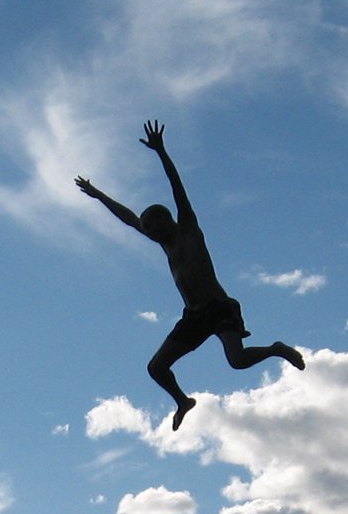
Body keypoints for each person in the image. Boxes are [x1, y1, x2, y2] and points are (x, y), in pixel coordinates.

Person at [77, 120, 305, 430]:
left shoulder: (187, 229)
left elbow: (177, 188)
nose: (150, 234)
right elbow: (128, 219)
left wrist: (161, 152)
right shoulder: (166, 245)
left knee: (237, 362)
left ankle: (276, 349)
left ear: (165, 220)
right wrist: (97, 195)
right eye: (147, 231)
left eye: (152, 227)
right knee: (156, 368)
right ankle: (183, 401)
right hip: (193, 316)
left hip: (219, 307)